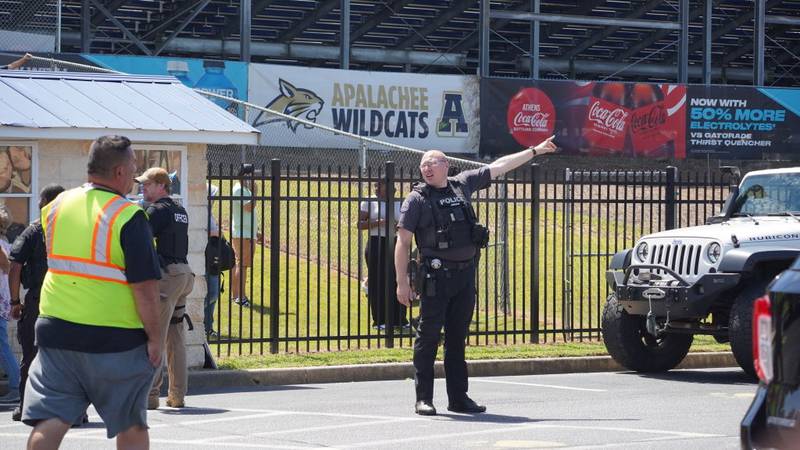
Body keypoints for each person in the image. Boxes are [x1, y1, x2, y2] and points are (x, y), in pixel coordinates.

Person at [395, 136, 557, 416]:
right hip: (435, 277)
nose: (426, 168)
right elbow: (403, 242)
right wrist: (401, 283)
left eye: (432, 162)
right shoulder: (417, 199)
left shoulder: (462, 184)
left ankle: (459, 398)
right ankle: (424, 398)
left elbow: (499, 166)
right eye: (423, 165)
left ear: (446, 164)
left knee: (457, 338)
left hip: (465, 276)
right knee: (428, 337)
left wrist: (534, 151)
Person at [21, 135, 163, 449]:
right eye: (134, 167)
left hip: (56, 330)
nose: (135, 174)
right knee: (131, 422)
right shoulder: (129, 216)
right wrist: (156, 339)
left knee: (52, 418)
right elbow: (145, 289)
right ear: (120, 173)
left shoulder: (56, 206)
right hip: (116, 338)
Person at [137, 167, 194, 410]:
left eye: (146, 184)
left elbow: (140, 238)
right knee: (175, 337)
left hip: (168, 276)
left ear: (161, 185)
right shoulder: (179, 210)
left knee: (155, 336)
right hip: (184, 274)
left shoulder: (157, 210)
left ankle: (150, 396)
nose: (143, 188)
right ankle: (177, 395)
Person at [8, 184, 65, 422]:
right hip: (68, 300)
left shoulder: (34, 230)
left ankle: (26, 408)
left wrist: (14, 301)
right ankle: (73, 410)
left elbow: (15, 267)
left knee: (31, 355)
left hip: (39, 299)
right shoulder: (74, 230)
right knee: (67, 357)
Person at [358, 180, 406, 330]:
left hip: (396, 243)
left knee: (398, 280)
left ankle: (400, 319)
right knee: (378, 282)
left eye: (380, 186)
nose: (377, 189)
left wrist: (397, 225)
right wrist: (380, 222)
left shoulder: (402, 202)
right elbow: (360, 224)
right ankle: (379, 320)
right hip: (376, 243)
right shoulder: (369, 201)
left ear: (391, 187)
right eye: (375, 186)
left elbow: (409, 223)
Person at [0, 206, 20, 406]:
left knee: (2, 345)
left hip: (0, 302)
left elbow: (5, 267)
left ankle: (16, 385)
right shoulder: (5, 244)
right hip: (4, 301)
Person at [231, 177, 260, 307]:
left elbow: (249, 212)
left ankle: (237, 296)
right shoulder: (239, 190)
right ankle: (240, 297)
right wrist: (255, 193)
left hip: (248, 233)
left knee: (240, 264)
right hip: (243, 235)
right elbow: (248, 207)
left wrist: (256, 230)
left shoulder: (244, 190)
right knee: (242, 265)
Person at [205, 183, 221, 338]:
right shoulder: (199, 211)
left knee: (214, 293)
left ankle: (208, 326)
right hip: (203, 256)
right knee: (207, 293)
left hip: (213, 256)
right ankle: (202, 324)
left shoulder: (209, 213)